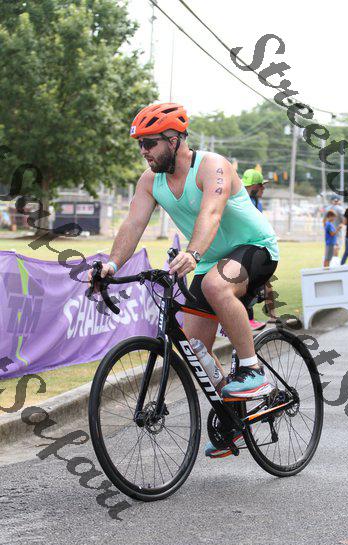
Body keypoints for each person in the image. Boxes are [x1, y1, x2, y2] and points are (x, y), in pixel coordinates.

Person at [91, 102, 279, 459]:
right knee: (195, 349)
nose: (143, 150)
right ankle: (235, 418)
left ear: (174, 139)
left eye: (150, 142)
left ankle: (252, 369)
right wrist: (112, 264)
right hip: (210, 259)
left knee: (214, 285)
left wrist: (192, 253)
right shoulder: (151, 181)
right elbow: (133, 224)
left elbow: (212, 213)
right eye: (140, 144)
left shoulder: (212, 166)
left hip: (254, 248)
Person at [242, 169, 278, 328]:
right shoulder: (244, 201)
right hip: (245, 249)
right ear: (253, 186)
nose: (264, 189)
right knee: (246, 284)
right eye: (261, 186)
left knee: (267, 281)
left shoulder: (257, 202)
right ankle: (248, 319)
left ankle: (273, 316)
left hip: (258, 247)